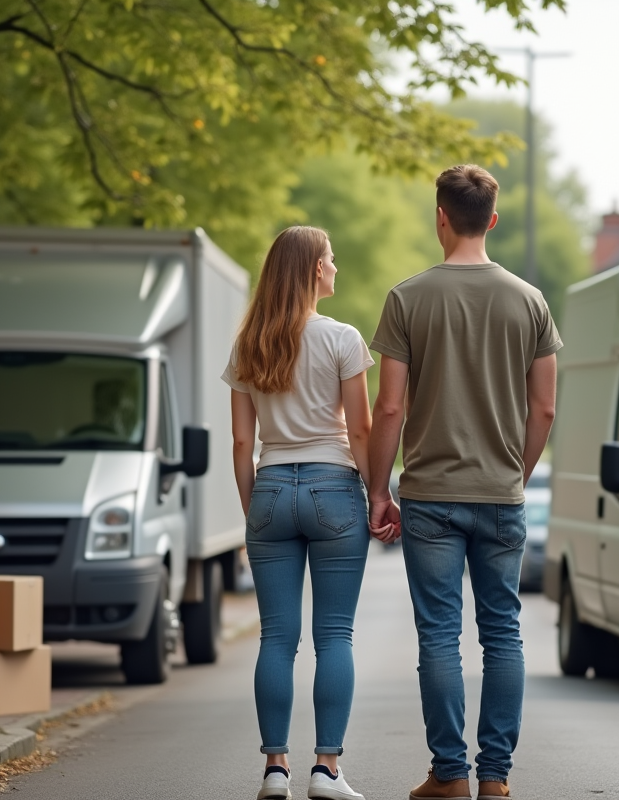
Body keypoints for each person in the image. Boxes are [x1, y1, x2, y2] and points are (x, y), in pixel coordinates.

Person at [367, 165, 561, 800]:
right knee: (503, 631)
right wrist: (517, 474)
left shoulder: (407, 298)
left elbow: (389, 408)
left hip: (431, 497)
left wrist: (379, 490)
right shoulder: (529, 300)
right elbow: (545, 410)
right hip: (501, 495)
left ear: (441, 217)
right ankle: (495, 779)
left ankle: (449, 774)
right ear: (493, 220)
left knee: (440, 635)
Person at [224, 226, 389, 800]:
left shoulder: (250, 345)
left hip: (270, 487)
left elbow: (242, 446)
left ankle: (275, 768)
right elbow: (362, 428)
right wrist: (377, 494)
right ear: (315, 270)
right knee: (334, 635)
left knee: (276, 638)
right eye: (332, 260)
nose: (337, 267)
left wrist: (254, 510)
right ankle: (326, 770)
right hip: (334, 488)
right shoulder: (342, 339)